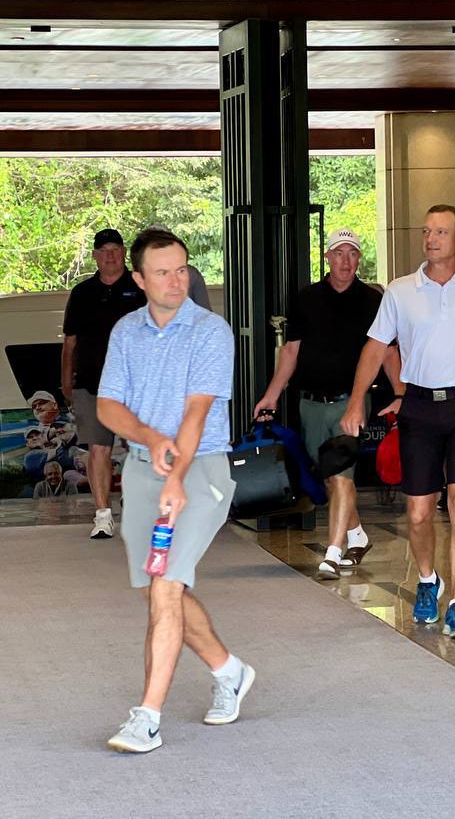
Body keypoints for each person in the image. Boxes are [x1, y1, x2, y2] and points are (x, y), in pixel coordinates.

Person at [97, 227, 252, 755]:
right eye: (162, 272)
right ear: (138, 279)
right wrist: (148, 438)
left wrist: (177, 478)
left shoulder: (210, 331)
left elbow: (196, 414)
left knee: (165, 588)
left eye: (182, 269)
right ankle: (229, 671)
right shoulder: (126, 332)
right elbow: (108, 406)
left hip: (200, 470)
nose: (175, 280)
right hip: (144, 469)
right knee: (157, 589)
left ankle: (147, 718)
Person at [340, 204, 455, 640]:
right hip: (418, 407)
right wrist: (356, 401)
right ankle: (427, 580)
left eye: (440, 232)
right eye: (426, 231)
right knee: (419, 512)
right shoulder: (401, 291)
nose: (431, 238)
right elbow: (375, 347)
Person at [254, 228, 399, 579]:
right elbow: (291, 352)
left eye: (352, 253)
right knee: (331, 478)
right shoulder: (307, 298)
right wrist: (271, 395)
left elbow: (387, 352)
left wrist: (400, 394)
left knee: (342, 475)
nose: (345, 261)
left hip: (351, 403)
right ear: (327, 257)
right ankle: (357, 535)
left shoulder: (373, 301)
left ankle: (332, 553)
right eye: (339, 253)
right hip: (311, 403)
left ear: (359, 259)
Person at [61, 227, 146, 539]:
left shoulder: (140, 287)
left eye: (115, 249)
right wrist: (66, 383)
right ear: (95, 256)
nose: (110, 255)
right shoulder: (82, 293)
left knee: (139, 448)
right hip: (91, 384)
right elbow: (70, 343)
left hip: (135, 386)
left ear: (123, 252)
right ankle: (102, 515)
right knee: (98, 449)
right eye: (104, 250)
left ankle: (136, 504)